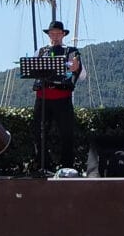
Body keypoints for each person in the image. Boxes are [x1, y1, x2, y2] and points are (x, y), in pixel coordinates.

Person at [29, 19, 83, 174]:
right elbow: (33, 71)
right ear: (49, 35)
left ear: (63, 35)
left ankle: (68, 167)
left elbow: (79, 71)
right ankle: (42, 165)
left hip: (62, 96)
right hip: (43, 97)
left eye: (58, 33)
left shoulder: (71, 51)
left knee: (66, 133)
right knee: (39, 132)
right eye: (52, 33)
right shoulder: (41, 51)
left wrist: (75, 67)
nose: (55, 36)